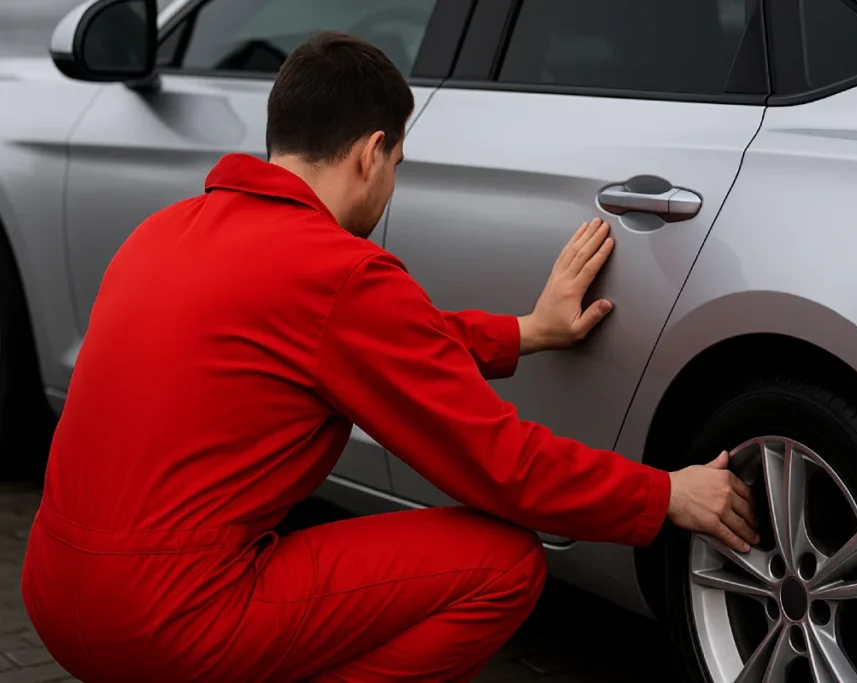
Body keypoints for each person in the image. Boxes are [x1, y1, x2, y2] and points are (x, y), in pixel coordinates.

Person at [21, 32, 758, 683]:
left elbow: (367, 339)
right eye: (398, 162)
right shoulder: (336, 271)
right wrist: (666, 496)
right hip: (171, 625)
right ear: (373, 153)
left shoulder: (167, 231)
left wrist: (527, 330)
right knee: (501, 564)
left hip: (56, 597)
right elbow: (503, 465)